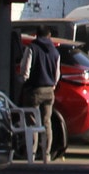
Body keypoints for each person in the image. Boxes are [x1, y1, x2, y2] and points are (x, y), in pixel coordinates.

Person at [18, 25, 62, 161]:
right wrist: (52, 85)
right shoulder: (55, 51)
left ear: (36, 35)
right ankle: (46, 154)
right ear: (49, 36)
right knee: (46, 122)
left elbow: (25, 69)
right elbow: (57, 74)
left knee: (32, 123)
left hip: (34, 91)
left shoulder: (32, 48)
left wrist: (24, 81)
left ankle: (32, 153)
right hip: (49, 91)